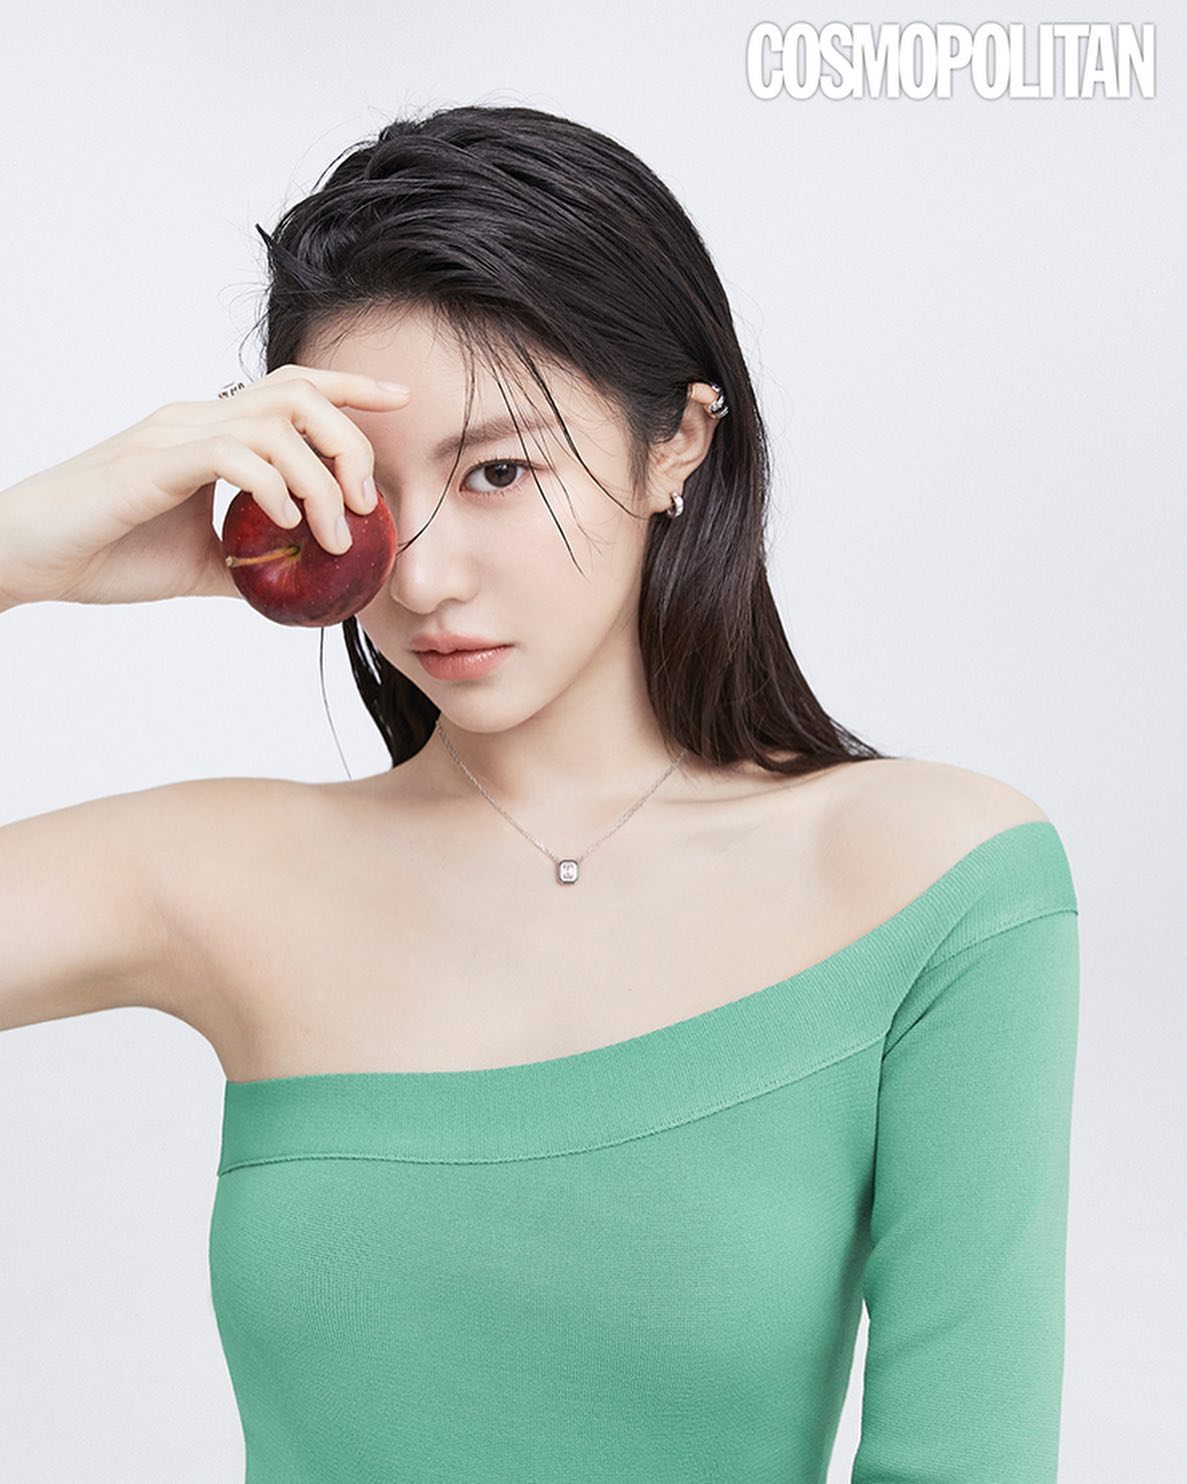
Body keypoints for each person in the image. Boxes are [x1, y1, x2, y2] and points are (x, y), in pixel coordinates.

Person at [0, 104, 1079, 1482]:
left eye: (500, 472)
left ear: (677, 443)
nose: (424, 576)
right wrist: (17, 550)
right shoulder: (216, 875)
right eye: (366, 495)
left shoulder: (932, 880)